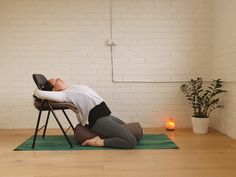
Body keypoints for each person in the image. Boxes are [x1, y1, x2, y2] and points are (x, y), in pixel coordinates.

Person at [34, 78, 138, 149]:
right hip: (99, 121)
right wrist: (39, 89)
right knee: (131, 141)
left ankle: (104, 137)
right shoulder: (63, 95)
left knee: (132, 131)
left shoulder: (72, 88)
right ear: (55, 90)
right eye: (55, 80)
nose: (59, 78)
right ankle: (97, 142)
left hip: (107, 116)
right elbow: (39, 93)